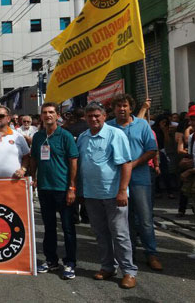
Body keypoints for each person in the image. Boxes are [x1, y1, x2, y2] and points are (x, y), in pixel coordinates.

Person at [77, 102, 137, 289]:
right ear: (85, 118)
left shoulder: (115, 134)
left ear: (104, 116)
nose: (93, 119)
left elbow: (126, 164)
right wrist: (80, 191)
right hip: (92, 194)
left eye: (97, 115)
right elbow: (79, 165)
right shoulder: (83, 137)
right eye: (90, 116)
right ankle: (107, 266)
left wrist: (122, 191)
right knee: (100, 233)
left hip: (113, 194)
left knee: (120, 234)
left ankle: (128, 271)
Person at [107, 94, 161, 271]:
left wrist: (131, 165)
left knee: (145, 218)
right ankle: (129, 255)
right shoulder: (108, 127)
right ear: (113, 109)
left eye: (125, 106)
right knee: (123, 220)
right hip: (117, 181)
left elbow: (152, 149)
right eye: (118, 106)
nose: (122, 109)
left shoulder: (142, 125)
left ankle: (151, 253)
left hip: (139, 178)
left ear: (131, 108)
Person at [29, 103, 79, 279]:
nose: (48, 115)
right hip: (44, 189)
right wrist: (33, 177)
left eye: (51, 112)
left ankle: (70, 262)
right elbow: (34, 158)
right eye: (44, 112)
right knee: (49, 227)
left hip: (63, 189)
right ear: (41, 116)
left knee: (67, 228)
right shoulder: (38, 137)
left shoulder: (65, 136)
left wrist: (72, 187)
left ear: (57, 115)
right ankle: (51, 260)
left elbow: (73, 162)